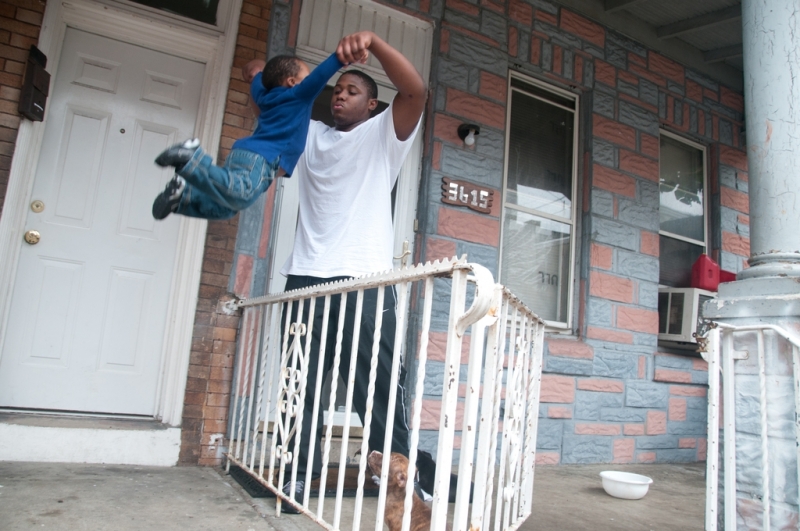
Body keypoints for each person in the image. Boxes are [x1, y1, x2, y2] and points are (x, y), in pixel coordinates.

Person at [278, 30, 426, 513]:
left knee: (379, 388)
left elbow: (416, 92)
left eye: (353, 91)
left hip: (364, 279)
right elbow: (255, 72)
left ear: (372, 105)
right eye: (337, 90)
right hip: (305, 279)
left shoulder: (384, 135)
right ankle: (297, 477)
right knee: (301, 387)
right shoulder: (311, 134)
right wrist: (312, 70)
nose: (341, 95)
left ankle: (402, 484)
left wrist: (374, 44)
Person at [150, 50, 352, 220]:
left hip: (248, 155)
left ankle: (181, 198)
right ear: (292, 82)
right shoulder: (298, 96)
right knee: (241, 195)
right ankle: (192, 159)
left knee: (226, 208)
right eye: (305, 79)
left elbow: (257, 78)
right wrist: (341, 57)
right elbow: (320, 76)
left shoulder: (263, 96)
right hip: (261, 159)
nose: (309, 83)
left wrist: (257, 72)